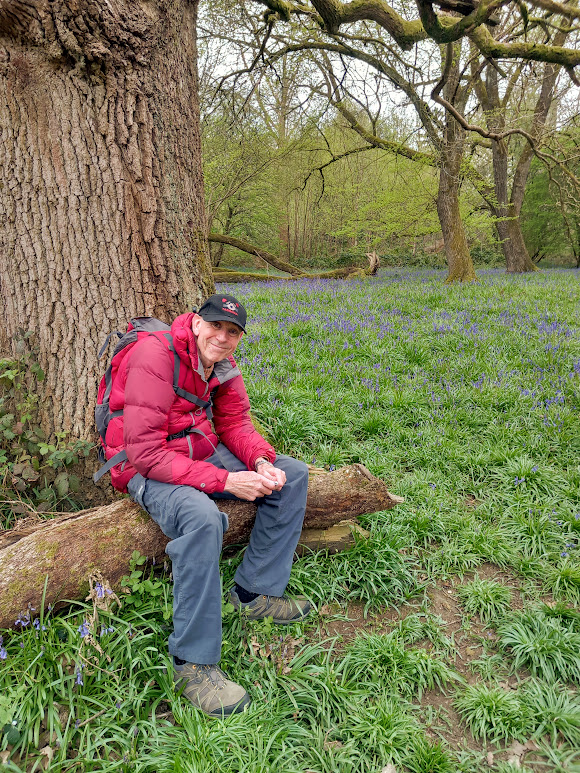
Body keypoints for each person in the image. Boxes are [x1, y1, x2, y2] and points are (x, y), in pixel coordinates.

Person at [103, 294, 310, 717]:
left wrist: (260, 461)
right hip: (143, 465)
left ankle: (254, 593)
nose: (223, 337)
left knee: (292, 476)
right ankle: (192, 663)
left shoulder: (223, 363)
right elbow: (144, 453)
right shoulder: (154, 356)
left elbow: (234, 422)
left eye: (233, 332)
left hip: (196, 450)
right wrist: (226, 481)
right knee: (202, 519)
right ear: (196, 323)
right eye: (216, 326)